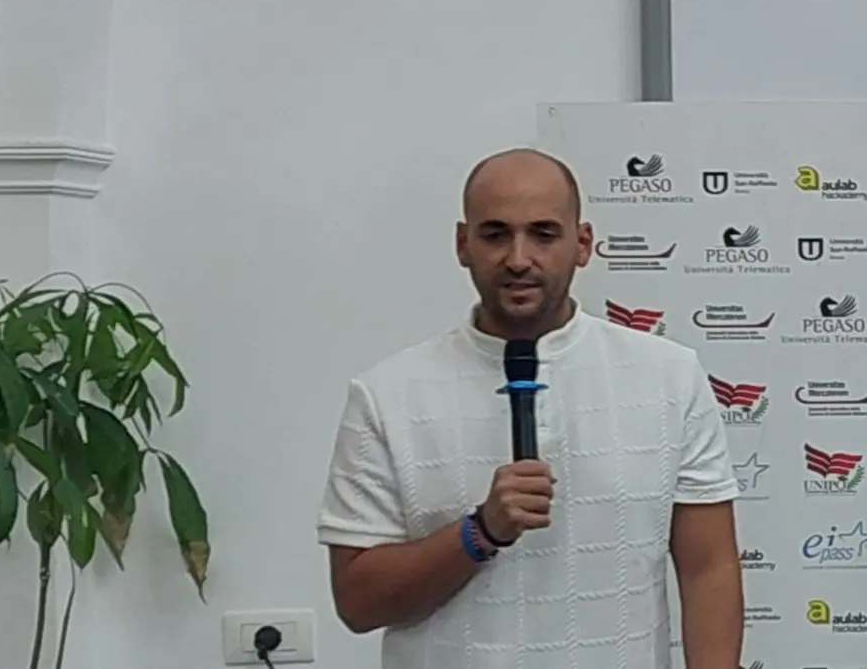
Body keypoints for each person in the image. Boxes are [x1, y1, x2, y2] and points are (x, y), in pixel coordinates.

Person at [315, 148, 744, 669]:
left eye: (543, 234)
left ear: (582, 244)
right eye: (496, 234)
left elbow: (708, 569)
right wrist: (479, 532)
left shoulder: (669, 375)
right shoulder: (386, 394)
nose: (518, 258)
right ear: (463, 244)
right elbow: (358, 603)